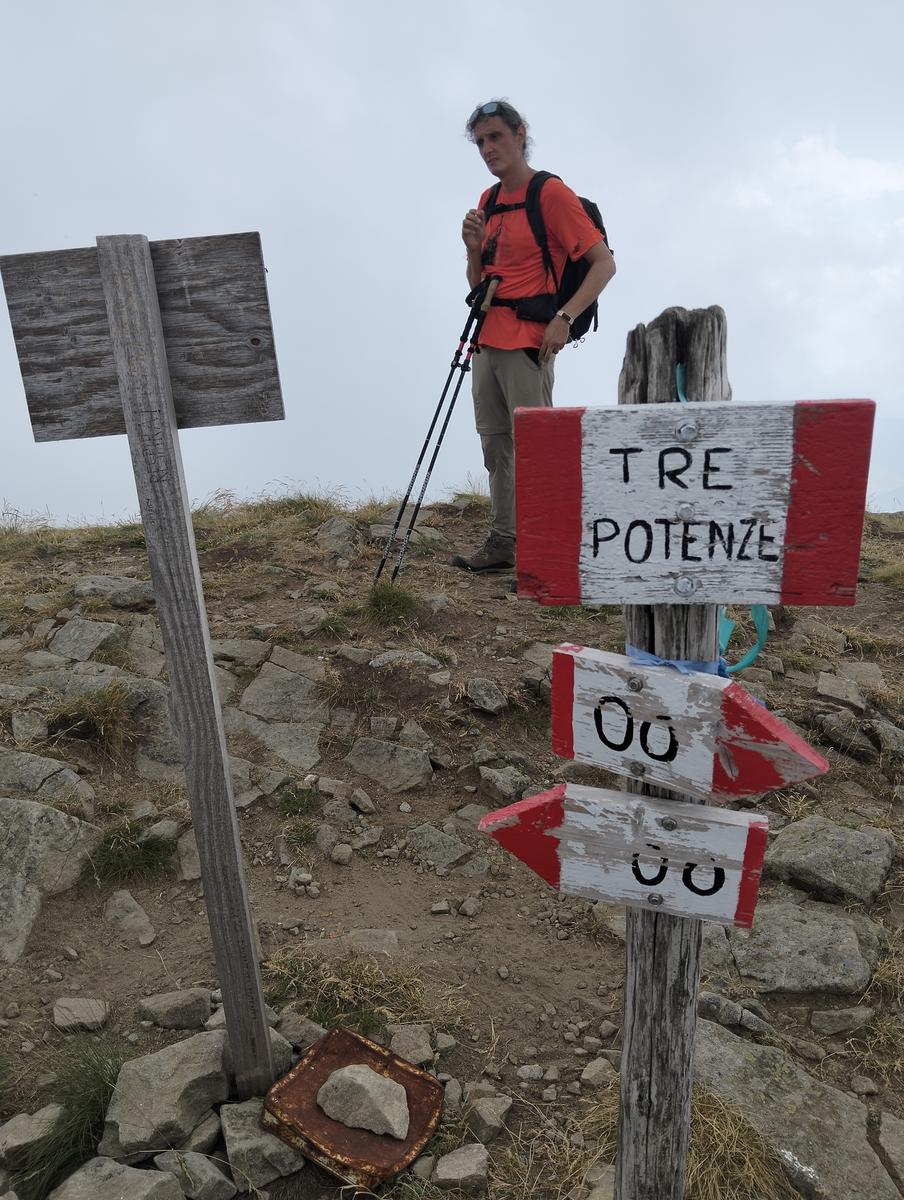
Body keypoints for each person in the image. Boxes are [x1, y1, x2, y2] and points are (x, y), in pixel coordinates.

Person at [452, 99, 616, 573]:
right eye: (480, 141)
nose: (487, 148)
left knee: (536, 448)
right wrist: (472, 250)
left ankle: (548, 553)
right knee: (496, 444)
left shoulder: (551, 195)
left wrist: (564, 318)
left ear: (520, 134)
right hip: (487, 337)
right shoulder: (488, 201)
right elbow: (478, 285)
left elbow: (603, 263)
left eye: (496, 137)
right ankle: (504, 542)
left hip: (529, 341)